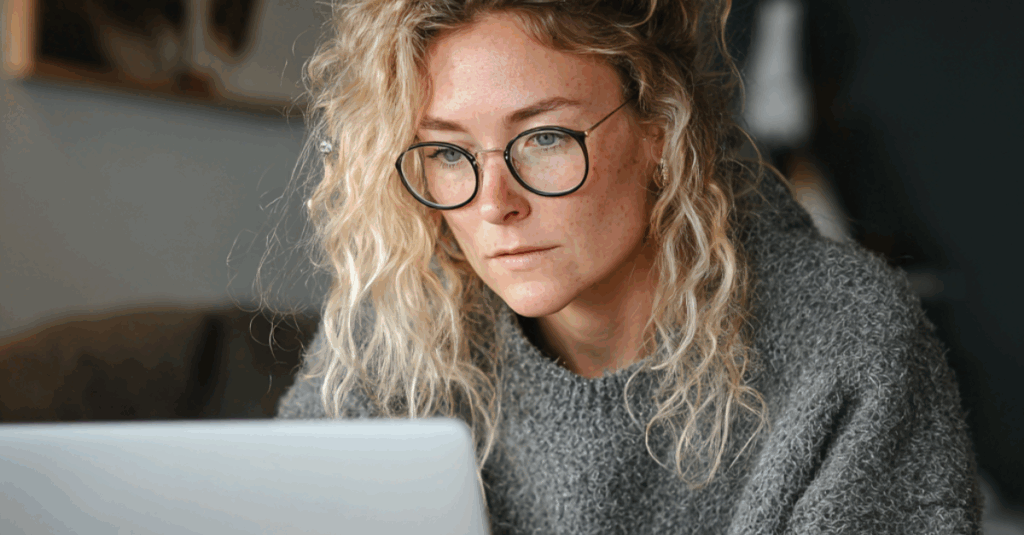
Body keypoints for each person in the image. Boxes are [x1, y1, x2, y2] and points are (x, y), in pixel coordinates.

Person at [275, 0, 982, 532]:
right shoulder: (397, 328)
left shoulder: (848, 348)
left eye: (544, 137)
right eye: (449, 153)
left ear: (660, 131)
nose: (494, 204)